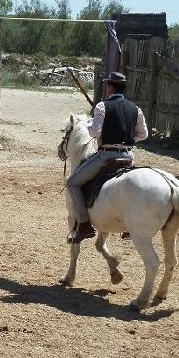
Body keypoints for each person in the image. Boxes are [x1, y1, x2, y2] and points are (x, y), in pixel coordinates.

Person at [65, 71, 148, 243]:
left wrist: (91, 126)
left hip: (106, 156)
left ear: (110, 86)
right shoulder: (135, 109)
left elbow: (95, 133)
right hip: (129, 156)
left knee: (72, 183)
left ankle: (84, 225)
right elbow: (144, 134)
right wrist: (128, 138)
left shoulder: (102, 106)